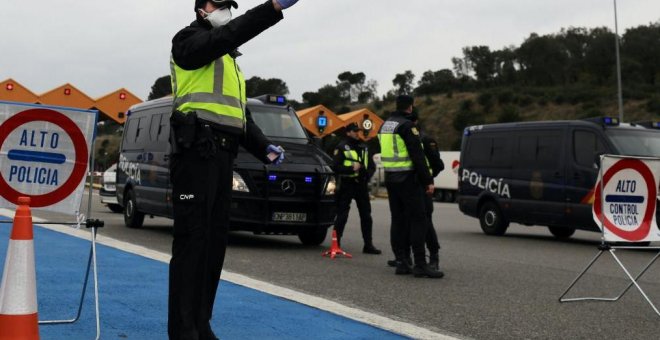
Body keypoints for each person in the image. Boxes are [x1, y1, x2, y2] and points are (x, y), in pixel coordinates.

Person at [168, 0, 299, 338]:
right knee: (192, 243)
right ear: (201, 9)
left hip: (224, 154)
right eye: (218, 4)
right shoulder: (188, 41)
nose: (224, 9)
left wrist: (262, 146)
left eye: (228, 4)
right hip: (196, 151)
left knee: (214, 246)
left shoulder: (230, 62)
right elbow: (228, 35)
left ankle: (200, 323)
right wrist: (271, 8)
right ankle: (184, 331)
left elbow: (240, 114)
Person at [378, 95, 444, 278]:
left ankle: (402, 261)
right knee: (419, 219)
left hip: (390, 178)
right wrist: (428, 181)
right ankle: (421, 264)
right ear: (410, 107)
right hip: (408, 178)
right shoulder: (407, 126)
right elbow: (417, 156)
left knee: (398, 220)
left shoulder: (384, 125)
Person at [331, 122, 382, 254]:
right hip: (347, 184)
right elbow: (335, 167)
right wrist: (350, 169)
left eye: (357, 131)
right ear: (348, 132)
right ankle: (336, 245)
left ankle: (368, 245)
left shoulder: (364, 146)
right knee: (342, 215)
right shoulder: (341, 147)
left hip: (361, 185)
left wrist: (367, 175)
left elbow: (371, 166)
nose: (357, 133)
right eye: (354, 131)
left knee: (366, 215)